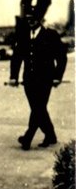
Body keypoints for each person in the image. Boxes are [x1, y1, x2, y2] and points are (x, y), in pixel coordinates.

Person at [9, 8, 67, 149]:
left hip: (45, 79)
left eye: (33, 19)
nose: (31, 21)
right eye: (28, 19)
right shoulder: (23, 35)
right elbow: (16, 57)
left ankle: (27, 138)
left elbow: (61, 57)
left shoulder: (50, 35)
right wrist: (13, 76)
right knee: (38, 108)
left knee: (38, 108)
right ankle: (50, 135)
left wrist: (57, 77)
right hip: (28, 79)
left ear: (40, 20)